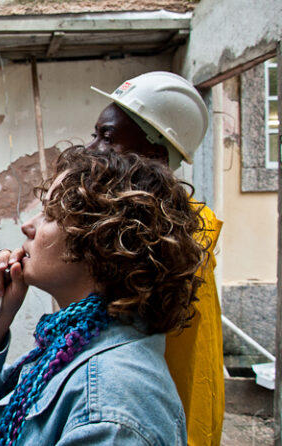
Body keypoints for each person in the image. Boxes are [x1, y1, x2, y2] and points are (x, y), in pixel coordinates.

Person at [0, 147, 206, 445]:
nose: (27, 225)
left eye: (50, 214)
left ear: (103, 241)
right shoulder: (70, 346)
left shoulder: (113, 404)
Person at [88, 71, 223, 446]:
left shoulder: (172, 241)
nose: (91, 148)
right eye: (96, 133)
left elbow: (189, 367)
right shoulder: (140, 225)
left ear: (153, 154)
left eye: (108, 138)